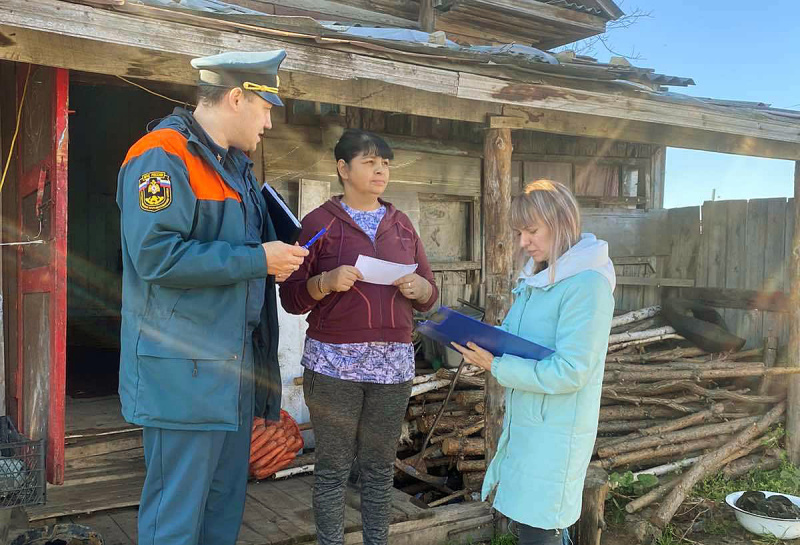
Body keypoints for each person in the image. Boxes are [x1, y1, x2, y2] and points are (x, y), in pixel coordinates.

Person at [116, 50, 308, 545]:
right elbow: (155, 257)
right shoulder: (161, 156)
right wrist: (257, 260)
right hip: (184, 371)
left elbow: (247, 250)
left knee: (224, 505)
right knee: (176, 515)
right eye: (266, 108)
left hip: (235, 368)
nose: (270, 121)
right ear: (237, 97)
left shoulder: (238, 167)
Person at [280, 129, 439, 545]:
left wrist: (421, 290)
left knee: (378, 467)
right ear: (343, 169)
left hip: (393, 366)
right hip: (334, 365)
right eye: (370, 162)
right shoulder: (319, 224)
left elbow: (429, 291)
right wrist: (326, 282)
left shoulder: (401, 224)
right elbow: (291, 297)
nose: (380, 170)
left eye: (385, 163)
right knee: (332, 468)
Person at [452, 180, 615, 545]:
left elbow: (572, 371)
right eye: (520, 232)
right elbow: (515, 337)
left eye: (532, 230)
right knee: (531, 526)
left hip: (557, 430)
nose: (523, 241)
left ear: (561, 223)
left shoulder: (587, 285)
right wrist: (480, 339)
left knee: (542, 528)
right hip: (530, 422)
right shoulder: (538, 278)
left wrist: (497, 366)